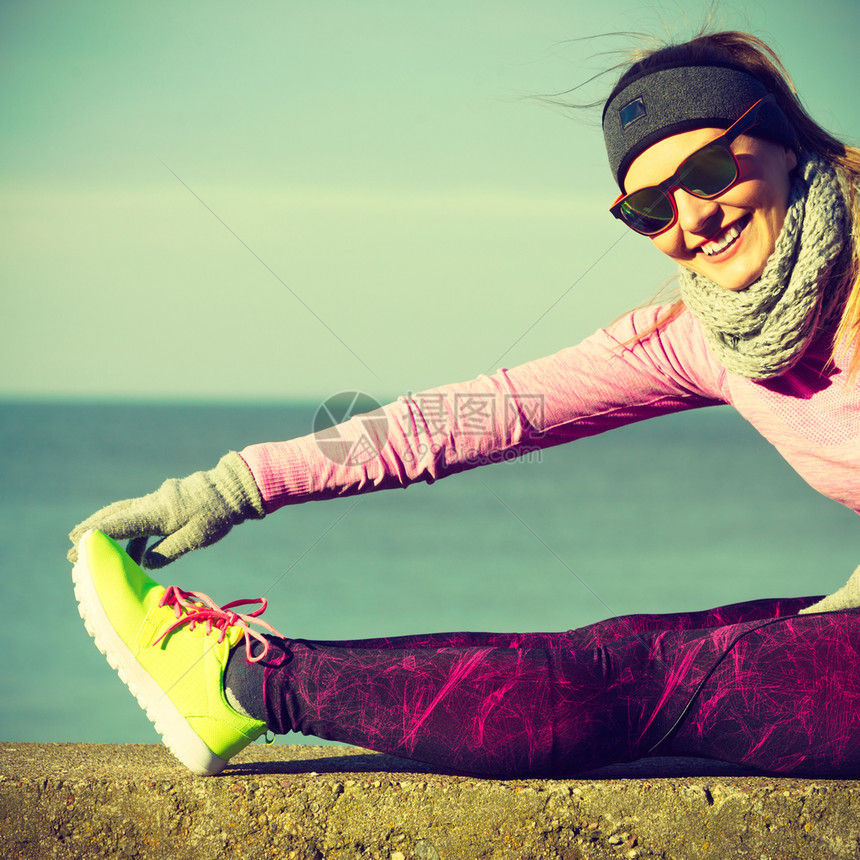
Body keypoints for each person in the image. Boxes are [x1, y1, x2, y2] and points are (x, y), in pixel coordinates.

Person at [69, 30, 860, 779]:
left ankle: (245, 684)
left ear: (783, 140)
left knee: (637, 683)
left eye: (712, 170)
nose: (692, 219)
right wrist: (230, 488)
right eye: (650, 208)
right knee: (631, 646)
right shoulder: (702, 338)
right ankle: (235, 686)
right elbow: (475, 416)